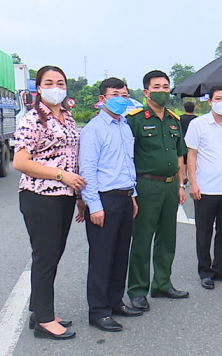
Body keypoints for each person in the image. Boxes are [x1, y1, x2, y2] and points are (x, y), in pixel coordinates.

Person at [13, 65, 85, 340]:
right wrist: (61, 174)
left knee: (53, 255)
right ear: (39, 89)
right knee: (44, 257)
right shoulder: (32, 120)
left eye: (61, 82)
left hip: (65, 196)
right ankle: (44, 321)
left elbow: (73, 157)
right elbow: (21, 162)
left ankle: (40, 309)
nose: (57, 87)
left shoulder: (68, 118)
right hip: (40, 195)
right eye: (50, 82)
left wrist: (78, 195)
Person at [80, 78, 143, 332]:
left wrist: (134, 195)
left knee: (120, 254)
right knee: (102, 256)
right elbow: (87, 169)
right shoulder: (94, 129)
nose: (121, 98)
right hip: (104, 199)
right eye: (116, 94)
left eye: (125, 94)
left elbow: (128, 163)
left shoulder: (125, 127)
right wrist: (94, 205)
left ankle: (116, 301)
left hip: (125, 197)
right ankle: (98, 310)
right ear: (103, 98)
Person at [126, 70, 188, 311]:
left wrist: (181, 184)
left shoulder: (174, 120)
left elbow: (180, 153)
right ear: (146, 92)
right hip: (146, 185)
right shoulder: (136, 119)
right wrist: (131, 192)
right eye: (157, 87)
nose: (162, 91)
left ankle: (162, 283)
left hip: (171, 185)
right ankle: (137, 290)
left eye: (165, 87)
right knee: (142, 239)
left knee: (167, 238)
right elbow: (126, 156)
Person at [185, 85, 222, 290]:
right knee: (204, 232)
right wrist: (192, 183)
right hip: (206, 189)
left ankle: (221, 269)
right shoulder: (198, 124)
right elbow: (191, 155)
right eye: (218, 99)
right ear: (209, 101)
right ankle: (205, 271)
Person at [180, 101, 198, 167]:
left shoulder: (179, 118)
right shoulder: (197, 120)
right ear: (193, 108)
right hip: (194, 144)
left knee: (183, 161)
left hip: (182, 143)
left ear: (184, 108)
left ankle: (184, 175)